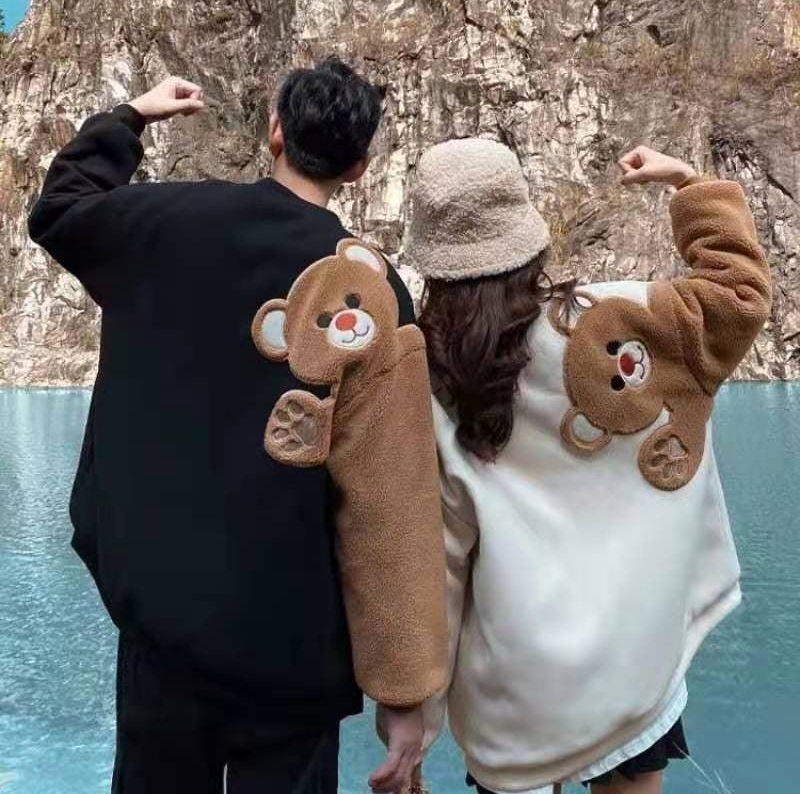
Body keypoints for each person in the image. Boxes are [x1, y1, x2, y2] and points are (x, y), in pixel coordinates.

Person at [28, 58, 447, 794]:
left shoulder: (159, 223)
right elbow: (390, 503)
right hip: (292, 660)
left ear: (274, 130)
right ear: (359, 166)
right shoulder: (370, 292)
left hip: (162, 635)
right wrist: (404, 692)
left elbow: (59, 207)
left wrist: (132, 116)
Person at [402, 139, 772, 794]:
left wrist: (415, 715)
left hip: (514, 692)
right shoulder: (620, 320)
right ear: (528, 236)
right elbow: (739, 294)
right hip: (634, 661)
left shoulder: (428, 384)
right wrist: (688, 183)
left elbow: (442, 566)